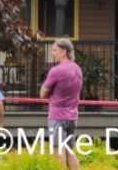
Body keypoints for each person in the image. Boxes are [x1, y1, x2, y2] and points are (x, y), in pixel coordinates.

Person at [40, 39, 83, 170]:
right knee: (69, 151)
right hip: (73, 116)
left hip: (57, 116)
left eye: (55, 50)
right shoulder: (77, 69)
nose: (53, 53)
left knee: (58, 150)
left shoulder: (56, 70)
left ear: (64, 52)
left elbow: (42, 93)